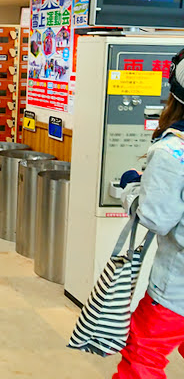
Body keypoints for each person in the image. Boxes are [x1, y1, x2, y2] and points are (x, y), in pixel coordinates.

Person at [115, 48, 184, 378]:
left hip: (176, 291)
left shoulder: (173, 150)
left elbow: (156, 217)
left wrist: (132, 188)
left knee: (143, 358)